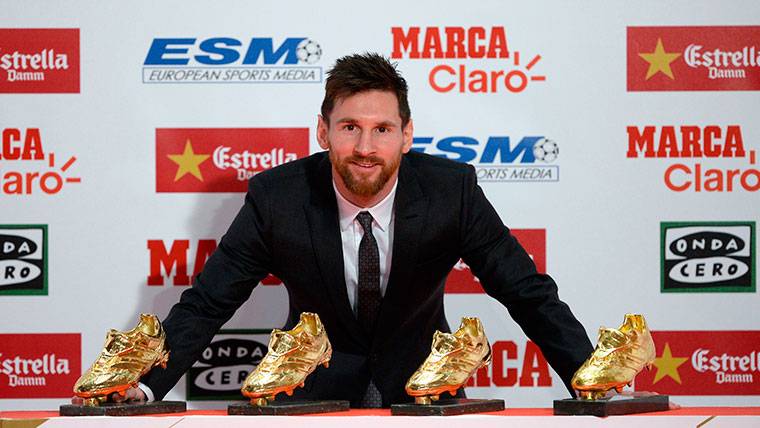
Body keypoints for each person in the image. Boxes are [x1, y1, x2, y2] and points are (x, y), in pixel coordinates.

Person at [94, 53, 593, 408]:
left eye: (382, 129)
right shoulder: (278, 197)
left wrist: (592, 380)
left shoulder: (450, 191)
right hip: (309, 399)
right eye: (350, 127)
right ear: (323, 131)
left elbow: (527, 292)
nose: (365, 147)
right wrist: (146, 387)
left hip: (425, 398)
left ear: (407, 134)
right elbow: (208, 302)